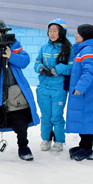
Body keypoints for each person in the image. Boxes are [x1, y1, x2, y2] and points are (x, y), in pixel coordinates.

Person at [0, 20, 39, 161]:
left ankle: (23, 146)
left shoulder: (15, 44)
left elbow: (25, 61)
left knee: (20, 117)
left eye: (3, 32)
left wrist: (11, 56)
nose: (1, 35)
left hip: (14, 89)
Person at [34, 18, 74, 152]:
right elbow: (36, 63)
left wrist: (57, 69)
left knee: (56, 116)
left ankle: (59, 140)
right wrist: (41, 68)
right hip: (43, 88)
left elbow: (71, 68)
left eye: (55, 31)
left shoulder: (67, 48)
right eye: (50, 30)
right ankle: (45, 139)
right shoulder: (44, 48)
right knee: (45, 116)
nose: (52, 33)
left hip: (59, 88)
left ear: (61, 32)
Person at [66, 24, 93, 161]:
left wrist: (80, 88)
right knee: (83, 119)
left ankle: (87, 149)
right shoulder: (84, 50)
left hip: (87, 94)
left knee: (87, 119)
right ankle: (83, 145)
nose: (75, 35)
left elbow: (89, 72)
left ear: (85, 35)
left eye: (78, 33)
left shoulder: (88, 51)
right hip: (84, 94)